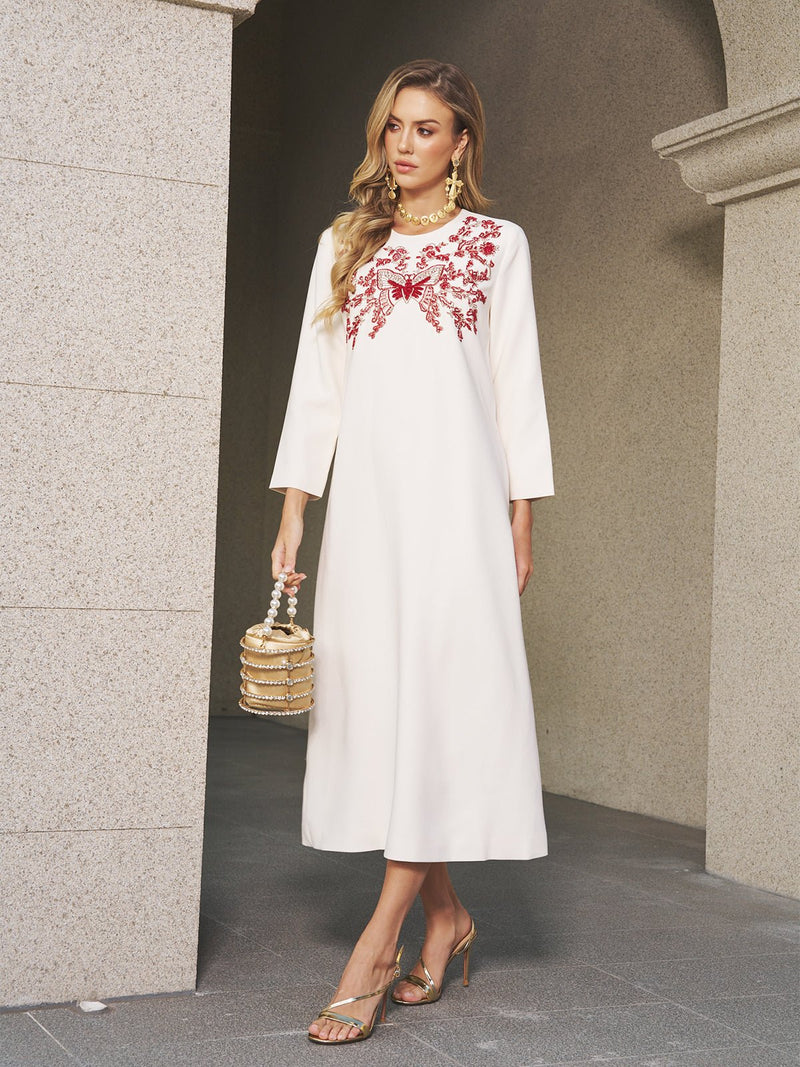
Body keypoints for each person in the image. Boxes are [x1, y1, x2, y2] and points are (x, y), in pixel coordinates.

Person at [268, 58, 554, 1046]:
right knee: (389, 711)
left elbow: (517, 383)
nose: (404, 143)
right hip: (370, 513)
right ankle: (448, 915)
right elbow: (318, 385)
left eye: (426, 128)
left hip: (462, 511)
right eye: (394, 125)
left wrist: (521, 515)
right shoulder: (346, 244)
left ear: (460, 142)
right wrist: (295, 508)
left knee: (437, 702)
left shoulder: (497, 245)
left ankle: (375, 945)